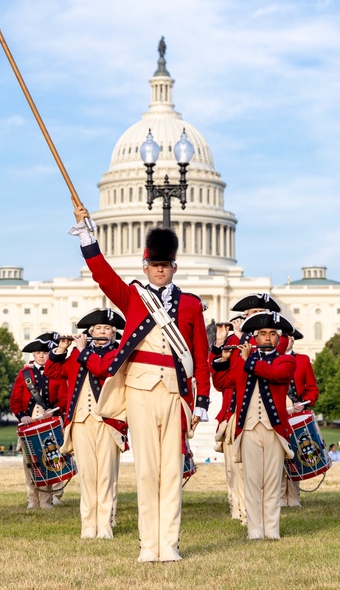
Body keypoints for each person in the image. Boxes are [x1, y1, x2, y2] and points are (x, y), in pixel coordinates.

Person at [70, 208, 211, 563]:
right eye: (154, 264)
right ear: (144, 266)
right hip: (138, 389)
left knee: (172, 471)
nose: (160, 269)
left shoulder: (192, 305)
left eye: (166, 263)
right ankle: (149, 545)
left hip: (175, 393)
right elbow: (103, 276)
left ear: (174, 266)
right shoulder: (132, 296)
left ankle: (170, 544)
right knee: (146, 470)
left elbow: (200, 355)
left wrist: (203, 402)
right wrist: (89, 238)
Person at [212, 311, 297, 540]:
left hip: (273, 429)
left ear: (279, 339)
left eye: (272, 334)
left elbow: (275, 374)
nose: (267, 338)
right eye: (262, 334)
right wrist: (223, 358)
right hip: (248, 428)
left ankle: (272, 529)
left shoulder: (286, 360)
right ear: (255, 337)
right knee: (251, 481)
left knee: (271, 482)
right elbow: (221, 383)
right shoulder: (242, 360)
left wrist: (247, 360)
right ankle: (255, 530)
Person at [46, 308, 128, 539]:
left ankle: (105, 524)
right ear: (90, 332)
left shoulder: (118, 351)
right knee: (87, 474)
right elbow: (53, 372)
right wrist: (61, 349)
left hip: (107, 421)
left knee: (106, 475)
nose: (102, 332)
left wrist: (81, 350)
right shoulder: (76, 352)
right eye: (98, 329)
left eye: (106, 329)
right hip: (80, 420)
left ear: (113, 334)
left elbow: (101, 368)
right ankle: (88, 525)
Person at [10, 333, 68, 509]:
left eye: (45, 352)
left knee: (49, 462)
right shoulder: (24, 373)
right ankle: (32, 500)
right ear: (33, 355)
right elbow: (15, 400)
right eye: (38, 353)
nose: (41, 356)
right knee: (30, 463)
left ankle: (47, 500)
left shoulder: (56, 372)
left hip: (49, 424)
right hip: (29, 424)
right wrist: (22, 416)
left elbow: (64, 400)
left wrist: (54, 412)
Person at [212, 318, 246, 523]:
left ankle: (248, 510)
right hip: (231, 412)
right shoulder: (230, 343)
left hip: (251, 412)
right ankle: (237, 507)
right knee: (232, 467)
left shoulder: (264, 338)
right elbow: (219, 381)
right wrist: (218, 345)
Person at [280, 328, 319, 508]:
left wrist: (303, 403)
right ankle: (279, 497)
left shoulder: (302, 360)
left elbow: (312, 388)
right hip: (278, 413)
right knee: (279, 457)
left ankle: (293, 498)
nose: (286, 340)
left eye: (288, 338)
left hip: (296, 413)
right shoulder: (272, 359)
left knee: (295, 455)